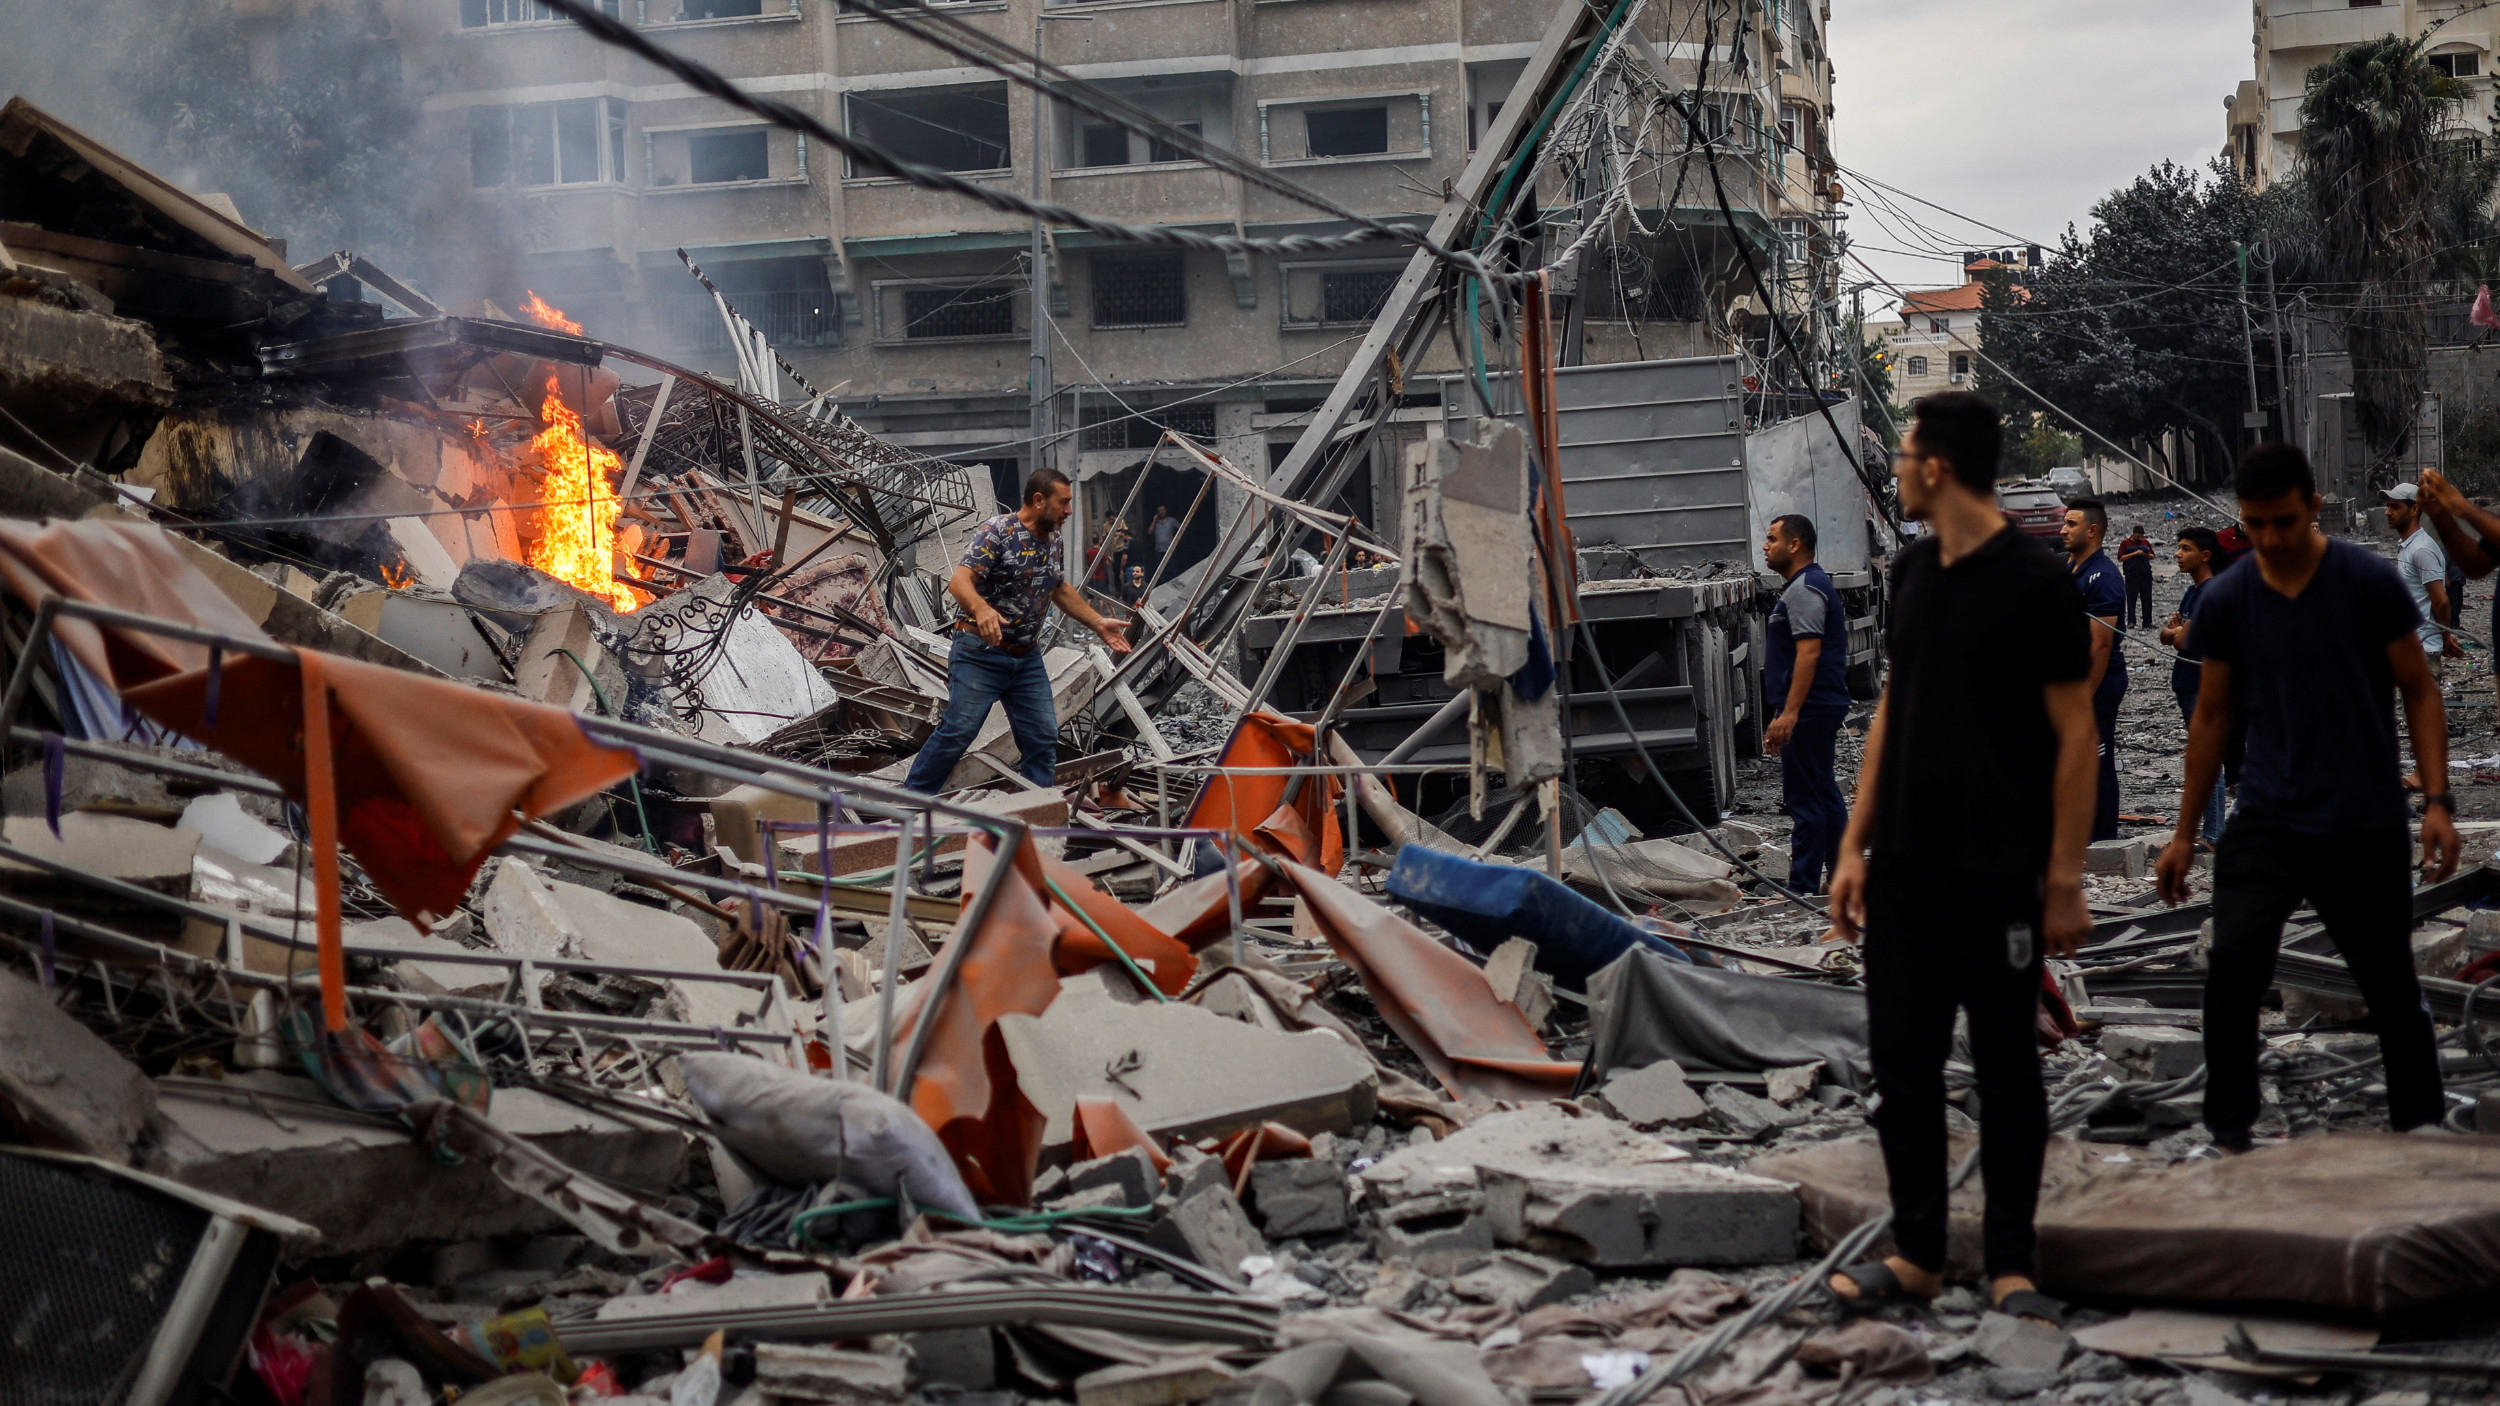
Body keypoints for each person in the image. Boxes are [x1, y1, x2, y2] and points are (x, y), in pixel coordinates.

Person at [1823, 392, 2098, 1327]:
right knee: (1902, 1064)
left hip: (1999, 872)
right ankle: (1920, 1253)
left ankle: (2013, 1262)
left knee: (2006, 1068)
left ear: (1935, 467)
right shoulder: (1911, 570)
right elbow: (1892, 715)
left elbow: (2075, 735)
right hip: (1905, 864)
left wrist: (2063, 876)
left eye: (1901, 456)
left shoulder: (2034, 577)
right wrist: (1855, 847)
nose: (1893, 470)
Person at [2153, 444, 2455, 1154]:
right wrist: (2183, 831)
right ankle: (2228, 1134)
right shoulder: (2229, 598)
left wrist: (2437, 800)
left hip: (2362, 819)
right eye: (2254, 525)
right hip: (2267, 815)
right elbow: (2212, 717)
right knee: (2232, 970)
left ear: (2314, 506)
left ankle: (2423, 1127)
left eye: (2283, 522)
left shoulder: (2365, 582)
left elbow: (2419, 689)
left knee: (2386, 980)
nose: (2270, 540)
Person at [904, 469, 1132, 791]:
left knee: (1042, 737)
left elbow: (1058, 587)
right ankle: (911, 803)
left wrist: (1097, 622)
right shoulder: (998, 531)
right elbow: (960, 581)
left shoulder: (1054, 539)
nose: (1069, 510)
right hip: (980, 655)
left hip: (1026, 660)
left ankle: (1035, 812)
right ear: (1039, 500)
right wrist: (982, 609)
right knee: (959, 732)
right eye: (1063, 502)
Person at [1761, 513, 1851, 892]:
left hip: (1810, 709)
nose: (1765, 547)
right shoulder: (1810, 585)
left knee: (1805, 800)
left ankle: (1801, 887)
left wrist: (1789, 713)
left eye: (1772, 539)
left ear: (1794, 545)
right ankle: (1841, 879)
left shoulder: (1804, 588)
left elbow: (1808, 653)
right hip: (1819, 705)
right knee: (1825, 794)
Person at [2061, 498, 2128, 841]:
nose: (2063, 530)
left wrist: (2083, 697)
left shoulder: (2103, 578)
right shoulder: (2068, 568)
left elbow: (2100, 647)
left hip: (2098, 682)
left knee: (2096, 755)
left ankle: (2103, 838)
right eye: (2064, 523)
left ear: (2093, 530)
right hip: (2068, 682)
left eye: (2071, 524)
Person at [2159, 527, 2231, 844]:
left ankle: (2213, 833)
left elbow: (2182, 639)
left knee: (2207, 758)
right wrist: (2175, 633)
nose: (2178, 553)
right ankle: (2211, 831)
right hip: (2187, 684)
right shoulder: (2193, 592)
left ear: (2205, 556)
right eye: (2178, 547)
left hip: (2202, 686)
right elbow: (2167, 634)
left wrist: (2177, 633)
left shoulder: (2210, 593)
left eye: (2185, 548)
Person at [2386, 484, 2457, 683]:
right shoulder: (2408, 547)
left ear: (2414, 509)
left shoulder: (2421, 550)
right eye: (2388, 506)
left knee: (2427, 712)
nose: (2387, 512)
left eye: (2395, 506)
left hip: (2424, 648)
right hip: (2411, 647)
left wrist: (2445, 638)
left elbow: (2441, 601)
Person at [2117, 524, 2157, 629]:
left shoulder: (2145, 543)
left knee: (2147, 599)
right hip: (2131, 575)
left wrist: (2146, 554)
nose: (2140, 539)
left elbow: (2152, 556)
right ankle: (2131, 621)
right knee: (2131, 599)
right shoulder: (2125, 543)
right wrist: (2134, 554)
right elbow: (2121, 558)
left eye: (2141, 537)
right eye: (2138, 536)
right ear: (2133, 534)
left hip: (2145, 575)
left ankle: (2147, 621)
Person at [1150, 503, 1179, 571]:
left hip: (1169, 549)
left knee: (1171, 569)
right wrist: (1154, 520)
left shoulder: (1172, 520)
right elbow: (1150, 532)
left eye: (1163, 510)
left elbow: (1182, 528)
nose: (1162, 512)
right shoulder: (1156, 522)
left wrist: (1175, 537)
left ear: (1166, 511)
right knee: (1160, 570)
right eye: (1160, 510)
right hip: (1158, 550)